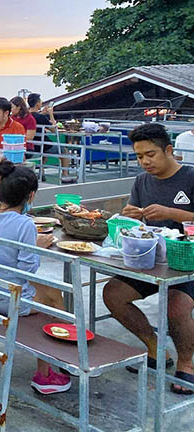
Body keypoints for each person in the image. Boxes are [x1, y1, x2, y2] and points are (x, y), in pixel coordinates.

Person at [103, 123, 194, 395]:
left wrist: (173, 213)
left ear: (169, 150)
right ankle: (155, 348)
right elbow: (137, 225)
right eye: (139, 156)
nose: (145, 161)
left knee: (175, 306)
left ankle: (186, 363)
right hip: (152, 259)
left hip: (187, 262)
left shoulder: (190, 178)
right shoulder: (142, 181)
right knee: (113, 294)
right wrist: (130, 215)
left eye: (150, 154)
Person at [0, 161, 70, 395]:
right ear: (31, 196)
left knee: (50, 291)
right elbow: (28, 270)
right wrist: (35, 247)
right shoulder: (24, 224)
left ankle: (58, 359)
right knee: (54, 300)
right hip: (6, 299)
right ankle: (49, 371)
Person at [27, 94, 75, 183]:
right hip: (43, 145)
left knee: (44, 153)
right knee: (64, 151)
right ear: (37, 104)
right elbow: (54, 129)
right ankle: (65, 175)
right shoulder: (41, 117)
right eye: (40, 101)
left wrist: (42, 114)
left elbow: (36, 118)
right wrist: (51, 114)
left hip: (32, 145)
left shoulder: (27, 116)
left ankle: (42, 172)